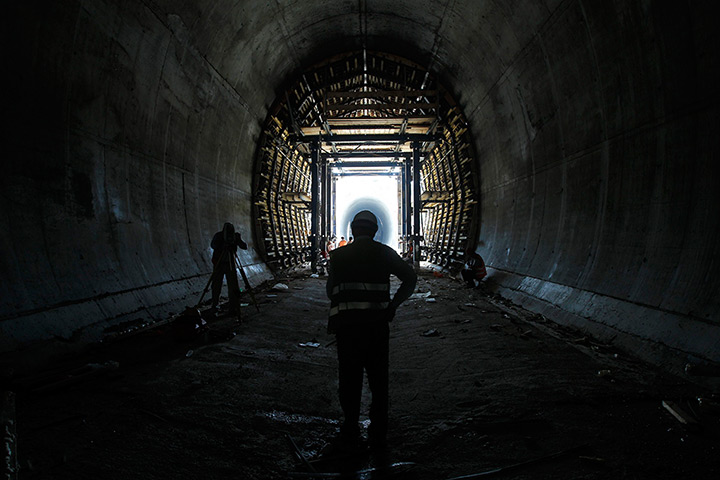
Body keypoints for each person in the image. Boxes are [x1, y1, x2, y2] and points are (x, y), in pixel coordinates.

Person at [326, 210, 417, 451]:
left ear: (353, 230)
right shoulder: (385, 254)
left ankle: (350, 425)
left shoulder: (337, 257)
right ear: (375, 231)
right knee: (378, 379)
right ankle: (378, 430)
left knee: (349, 378)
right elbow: (410, 279)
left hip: (346, 327)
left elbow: (329, 291)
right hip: (376, 326)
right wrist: (393, 305)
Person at [210, 223, 248, 315]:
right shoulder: (219, 236)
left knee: (233, 286)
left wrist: (238, 240)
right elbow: (213, 245)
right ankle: (215, 305)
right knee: (216, 285)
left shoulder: (235, 237)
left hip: (230, 263)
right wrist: (223, 246)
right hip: (219, 263)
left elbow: (244, 246)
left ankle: (233, 307)